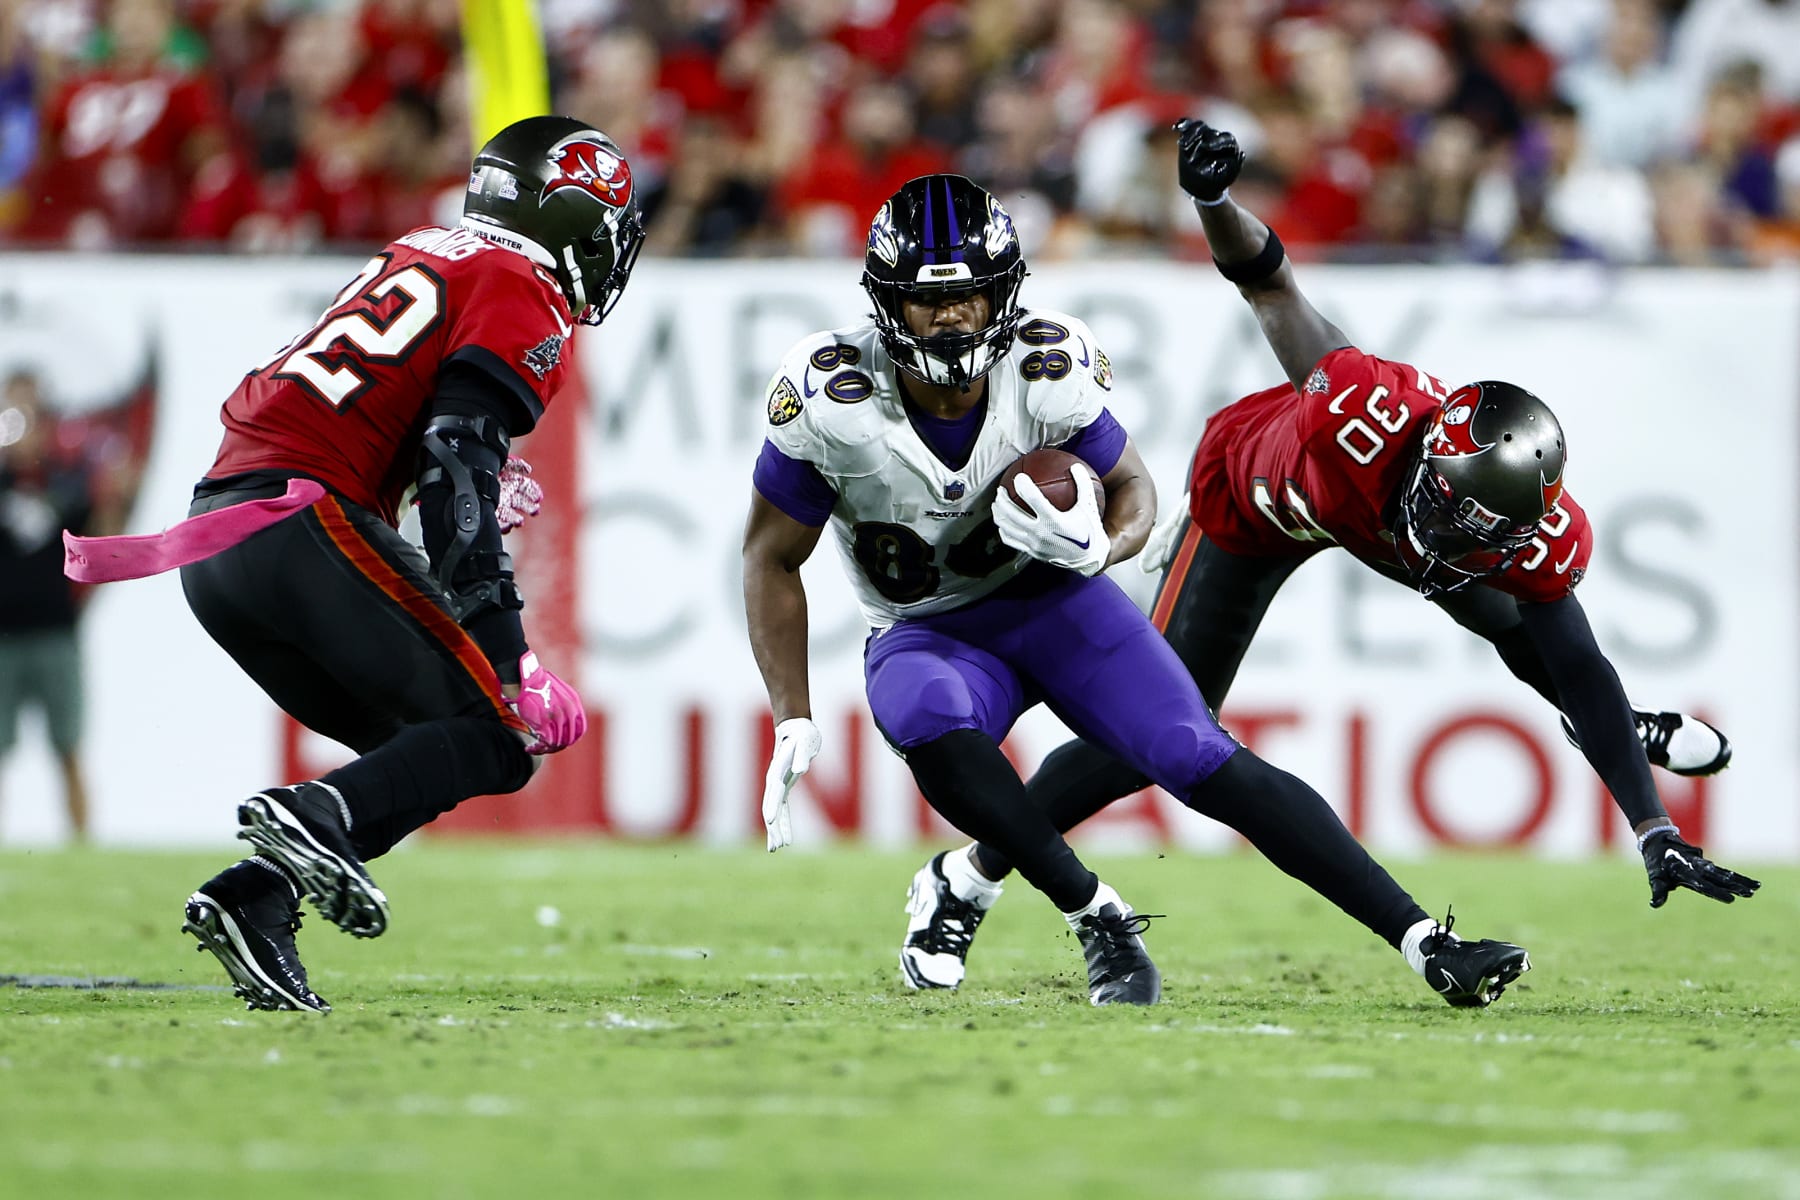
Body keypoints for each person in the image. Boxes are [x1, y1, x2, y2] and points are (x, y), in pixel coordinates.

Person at [902, 120, 1761, 991]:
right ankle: (966, 876)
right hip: (1247, 500)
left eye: (1483, 534)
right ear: (1429, 458)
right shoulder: (1362, 410)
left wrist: (1654, 830)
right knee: (1155, 736)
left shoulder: (1521, 528)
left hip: (1370, 522)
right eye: (1452, 515)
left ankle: (1621, 727)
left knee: (1536, 640)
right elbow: (1269, 286)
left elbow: (1576, 650)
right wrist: (1213, 200)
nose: (1457, 540)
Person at [743, 173, 1531, 1009]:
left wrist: (1102, 546)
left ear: (1002, 292)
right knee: (928, 712)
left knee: (1199, 753)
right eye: (930, 301)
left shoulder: (1048, 368)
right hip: (927, 626)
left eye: (972, 295)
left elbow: (1135, 487)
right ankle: (1099, 919)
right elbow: (768, 557)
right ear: (886, 304)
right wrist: (791, 708)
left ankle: (1424, 942)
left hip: (1056, 601)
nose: (953, 316)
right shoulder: (831, 398)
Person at [68, 116, 643, 1013]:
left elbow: (400, 430)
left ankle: (254, 900)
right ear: (566, 217)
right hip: (299, 527)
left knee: (423, 753)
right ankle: (309, 824)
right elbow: (456, 456)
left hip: (222, 542)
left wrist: (453, 470)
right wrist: (512, 654)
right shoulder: (521, 282)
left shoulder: (429, 247)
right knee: (496, 727)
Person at [0, 372, 121, 842]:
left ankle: (81, 847)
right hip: (3, 635)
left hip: (55, 632)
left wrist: (112, 491)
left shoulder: (69, 479)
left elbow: (104, 544)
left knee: (68, 748)